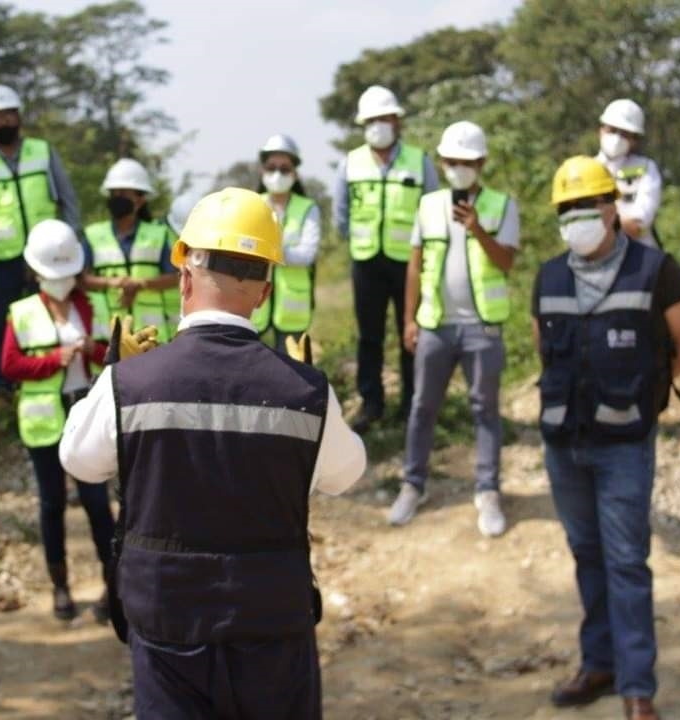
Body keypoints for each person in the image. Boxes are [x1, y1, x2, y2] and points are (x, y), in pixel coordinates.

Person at [59, 188, 367, 718]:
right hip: (272, 622)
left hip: (166, 621)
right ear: (265, 292)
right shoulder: (304, 391)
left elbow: (78, 459)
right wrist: (313, 389)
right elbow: (347, 472)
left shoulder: (130, 384)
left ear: (183, 278)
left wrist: (114, 373)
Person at [536, 157, 680, 720]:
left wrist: (642, 391)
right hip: (564, 442)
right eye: (566, 210)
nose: (577, 217)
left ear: (612, 207)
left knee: (627, 561)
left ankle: (638, 688)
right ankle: (598, 663)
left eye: (587, 206)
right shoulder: (549, 276)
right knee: (587, 555)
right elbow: (544, 348)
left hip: (625, 444)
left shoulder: (657, 271)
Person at [388, 121, 520, 536]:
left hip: (482, 328)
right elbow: (414, 265)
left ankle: (487, 490)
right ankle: (413, 484)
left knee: (484, 410)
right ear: (442, 163)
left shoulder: (502, 205)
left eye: (467, 162)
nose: (459, 168)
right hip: (435, 326)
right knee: (422, 407)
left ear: (481, 163)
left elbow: (506, 263)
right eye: (452, 161)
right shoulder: (427, 206)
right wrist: (409, 319)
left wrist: (477, 228)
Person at [0, 219, 115, 621]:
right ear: (36, 273)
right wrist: (53, 361)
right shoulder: (23, 312)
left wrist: (91, 350)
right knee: (51, 504)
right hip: (44, 418)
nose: (61, 282)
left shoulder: (93, 306)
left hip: (86, 410)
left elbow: (114, 355)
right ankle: (60, 586)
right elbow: (10, 364)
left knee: (97, 502)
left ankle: (113, 585)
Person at [0, 84, 83, 404]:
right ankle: (4, 385)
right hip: (2, 257)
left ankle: (56, 374)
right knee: (3, 320)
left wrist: (71, 237)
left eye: (10, 115)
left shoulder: (42, 151)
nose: (5, 122)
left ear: (20, 117)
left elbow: (67, 198)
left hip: (47, 254)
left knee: (52, 314)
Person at [333, 85, 438, 434]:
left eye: (385, 118)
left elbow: (434, 208)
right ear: (363, 124)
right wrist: (359, 240)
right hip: (366, 262)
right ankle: (371, 403)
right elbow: (341, 215)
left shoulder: (419, 161)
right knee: (370, 337)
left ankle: (412, 405)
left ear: (397, 121)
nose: (379, 125)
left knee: (411, 333)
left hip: (409, 262)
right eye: (372, 120)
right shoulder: (350, 163)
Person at [80, 159, 180, 342]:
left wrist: (141, 284)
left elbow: (175, 277)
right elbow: (82, 279)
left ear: (140, 200)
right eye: (114, 193)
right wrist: (112, 282)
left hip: (151, 337)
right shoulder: (93, 234)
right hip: (108, 337)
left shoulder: (160, 234)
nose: (117, 197)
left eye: (123, 193)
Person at [250, 133, 322, 351]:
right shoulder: (251, 205)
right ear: (262, 171)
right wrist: (284, 253)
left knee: (291, 372)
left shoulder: (308, 208)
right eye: (272, 167)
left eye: (284, 168)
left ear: (295, 173)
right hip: (253, 303)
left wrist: (269, 251)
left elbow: (307, 255)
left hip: (293, 306)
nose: (277, 174)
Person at [595, 99, 662, 248]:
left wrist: (594, 225)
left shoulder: (646, 168)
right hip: (594, 258)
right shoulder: (585, 167)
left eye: (624, 134)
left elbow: (637, 226)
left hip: (639, 256)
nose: (617, 138)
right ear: (600, 130)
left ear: (634, 140)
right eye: (612, 130)